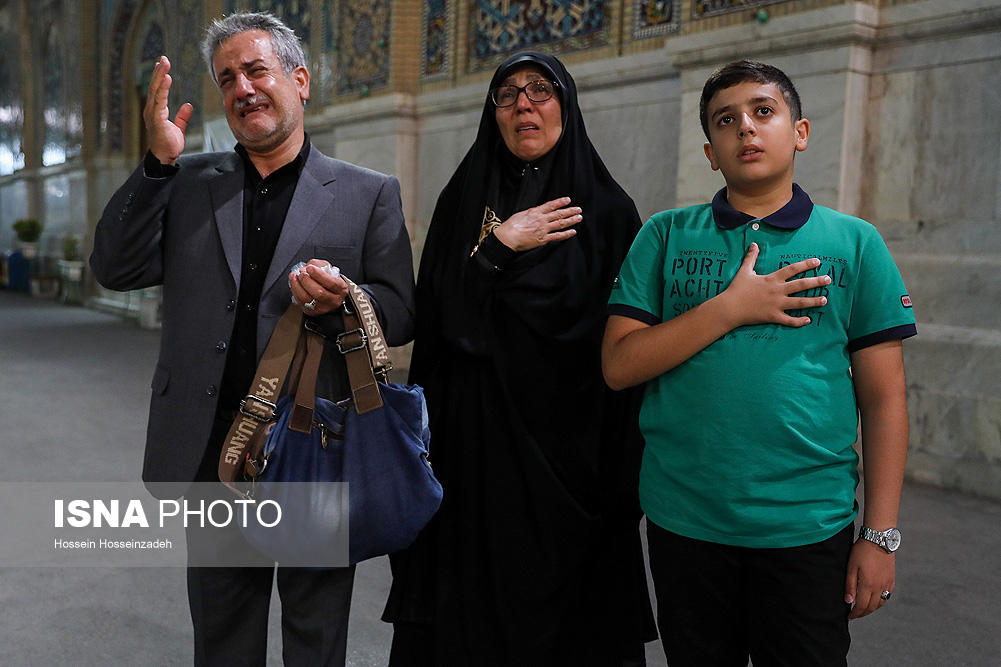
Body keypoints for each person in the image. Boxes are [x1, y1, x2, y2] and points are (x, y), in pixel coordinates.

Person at [90, 12, 414, 667]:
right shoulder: (186, 184)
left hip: (314, 449)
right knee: (223, 640)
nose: (242, 88)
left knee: (315, 640)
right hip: (217, 453)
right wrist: (156, 164)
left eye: (256, 70)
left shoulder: (367, 193)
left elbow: (401, 311)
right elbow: (115, 268)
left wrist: (345, 300)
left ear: (300, 81)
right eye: (227, 78)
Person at [602, 60, 916, 666]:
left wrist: (879, 536)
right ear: (710, 152)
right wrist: (730, 309)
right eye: (726, 120)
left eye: (763, 111)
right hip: (685, 521)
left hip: (807, 525)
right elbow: (619, 365)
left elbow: (884, 399)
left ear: (800, 132)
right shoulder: (666, 236)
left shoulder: (854, 243)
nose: (745, 127)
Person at [382, 51, 656, 667]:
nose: (523, 104)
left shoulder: (609, 213)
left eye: (539, 90)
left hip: (575, 457)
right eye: (507, 94)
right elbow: (443, 321)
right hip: (477, 454)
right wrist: (499, 246)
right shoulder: (464, 200)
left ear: (567, 105)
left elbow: (625, 345)